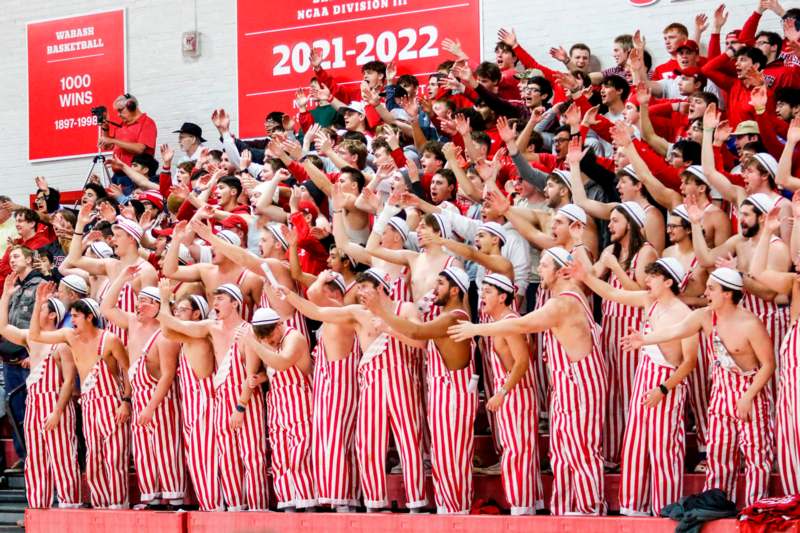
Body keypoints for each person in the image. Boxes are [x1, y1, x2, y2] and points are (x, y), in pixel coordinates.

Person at [449, 247, 606, 515]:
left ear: (560, 271)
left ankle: (590, 513)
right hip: (565, 387)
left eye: (543, 266)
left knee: (580, 453)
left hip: (579, 385)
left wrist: (476, 328)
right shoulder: (571, 296)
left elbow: (522, 326)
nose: (538, 271)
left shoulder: (562, 303)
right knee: (561, 456)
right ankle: (567, 513)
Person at [622, 267, 775, 507]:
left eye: (711, 288)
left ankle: (754, 511)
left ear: (727, 294)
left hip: (749, 391)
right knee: (719, 454)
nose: (705, 292)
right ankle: (717, 506)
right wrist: (644, 339)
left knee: (756, 456)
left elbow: (768, 365)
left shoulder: (750, 323)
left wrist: (748, 397)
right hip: (721, 392)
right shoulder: (705, 316)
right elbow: (675, 330)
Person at [280, 268, 427, 512]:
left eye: (364, 288)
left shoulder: (405, 309)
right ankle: (374, 503)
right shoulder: (358, 313)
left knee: (410, 443)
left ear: (380, 288)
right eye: (358, 289)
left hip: (402, 380)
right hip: (371, 383)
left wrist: (389, 326)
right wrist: (288, 295)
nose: (359, 294)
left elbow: (420, 342)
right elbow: (316, 311)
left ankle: (416, 503)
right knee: (368, 444)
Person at [570, 257, 698, 516]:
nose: (647, 280)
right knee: (636, 443)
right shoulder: (649, 300)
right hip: (644, 375)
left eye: (653, 277)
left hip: (667, 384)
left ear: (668, 281)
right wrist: (585, 277)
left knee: (664, 449)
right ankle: (633, 509)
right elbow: (613, 293)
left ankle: (666, 510)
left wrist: (662, 390)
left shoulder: (685, 315)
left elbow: (688, 364)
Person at [368, 267, 477, 515]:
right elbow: (418, 317)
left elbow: (415, 332)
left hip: (453, 395)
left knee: (452, 461)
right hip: (444, 394)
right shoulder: (443, 314)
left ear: (454, 290)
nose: (433, 288)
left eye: (439, 283)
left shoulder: (453, 317)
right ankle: (450, 512)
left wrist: (381, 310)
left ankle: (456, 516)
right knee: (445, 461)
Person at [158, 282, 267, 511]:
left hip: (245, 401)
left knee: (252, 458)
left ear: (235, 303)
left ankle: (258, 511)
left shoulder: (248, 331)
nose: (215, 303)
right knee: (228, 459)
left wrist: (241, 407)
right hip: (222, 399)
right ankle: (236, 509)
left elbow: (251, 375)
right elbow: (171, 325)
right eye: (214, 299)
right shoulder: (211, 327)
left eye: (220, 299)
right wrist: (166, 299)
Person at [30, 290, 131, 509]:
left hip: (110, 401)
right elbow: (35, 335)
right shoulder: (69, 337)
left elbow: (127, 370)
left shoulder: (110, 339)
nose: (71, 320)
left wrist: (126, 401)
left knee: (114, 458)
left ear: (89, 317)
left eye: (75, 316)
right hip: (88, 403)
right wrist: (38, 304)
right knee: (93, 459)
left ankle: (118, 505)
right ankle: (101, 504)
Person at [100, 269, 184, 508]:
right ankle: (151, 496)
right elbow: (107, 308)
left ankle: (174, 496)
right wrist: (121, 278)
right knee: (143, 449)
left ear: (158, 306)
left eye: (146, 302)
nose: (139, 306)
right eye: (139, 301)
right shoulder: (132, 323)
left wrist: (150, 407)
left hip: (160, 397)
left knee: (166, 447)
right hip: (138, 393)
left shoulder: (165, 334)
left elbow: (168, 376)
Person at [279, 271, 360, 511]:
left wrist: (321, 277)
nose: (317, 294)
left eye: (325, 289)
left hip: (337, 384)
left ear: (334, 293)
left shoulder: (339, 312)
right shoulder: (336, 317)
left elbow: (312, 294)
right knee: (336, 443)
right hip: (332, 384)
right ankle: (345, 499)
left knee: (333, 443)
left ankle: (341, 500)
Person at [0, 278, 80, 509]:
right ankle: (37, 508)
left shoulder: (63, 341)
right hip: (34, 404)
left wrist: (57, 411)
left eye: (43, 307)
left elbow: (67, 383)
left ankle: (69, 506)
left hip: (56, 404)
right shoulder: (31, 339)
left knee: (63, 456)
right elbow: (4, 328)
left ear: (53, 315)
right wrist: (5, 296)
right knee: (35, 459)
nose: (37, 311)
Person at [477, 273, 543, 515]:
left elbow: (523, 362)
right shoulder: (500, 322)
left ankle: (521, 508)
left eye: (488, 292)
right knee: (517, 449)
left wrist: (502, 392)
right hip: (513, 392)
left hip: (517, 393)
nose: (482, 296)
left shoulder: (510, 322)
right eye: (482, 291)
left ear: (503, 297)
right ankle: (527, 505)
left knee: (517, 451)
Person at [157, 283, 221, 511]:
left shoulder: (198, 338)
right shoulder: (186, 339)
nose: (177, 314)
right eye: (177, 310)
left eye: (182, 310)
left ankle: (213, 510)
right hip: (194, 408)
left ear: (196, 314)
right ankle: (210, 508)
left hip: (204, 406)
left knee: (206, 462)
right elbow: (167, 330)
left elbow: (167, 326)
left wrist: (164, 299)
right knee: (198, 462)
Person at [246, 307, 316, 511]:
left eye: (270, 336)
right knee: (280, 459)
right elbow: (274, 368)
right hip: (278, 404)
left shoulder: (294, 337)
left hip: (300, 404)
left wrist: (253, 343)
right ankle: (288, 506)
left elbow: (284, 362)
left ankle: (309, 506)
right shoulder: (267, 340)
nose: (268, 341)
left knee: (300, 456)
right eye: (264, 339)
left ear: (279, 325)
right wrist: (262, 377)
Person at [1, 246, 46, 467]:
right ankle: (25, 456)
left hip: (29, 358)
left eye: (16, 256)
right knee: (15, 411)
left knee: (33, 411)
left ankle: (40, 454)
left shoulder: (40, 286)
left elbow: (46, 322)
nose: (11, 260)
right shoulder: (13, 288)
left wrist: (35, 353)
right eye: (10, 257)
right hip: (9, 360)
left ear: (29, 260)